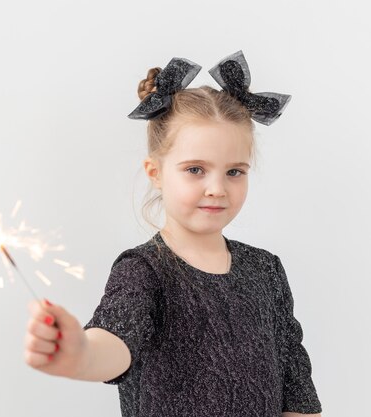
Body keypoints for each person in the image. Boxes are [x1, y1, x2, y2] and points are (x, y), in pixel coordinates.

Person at [23, 51, 322, 417]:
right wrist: (81, 354)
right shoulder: (144, 271)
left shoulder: (265, 270)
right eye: (195, 169)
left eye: (234, 172)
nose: (217, 188)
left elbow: (297, 385)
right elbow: (116, 342)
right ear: (156, 172)